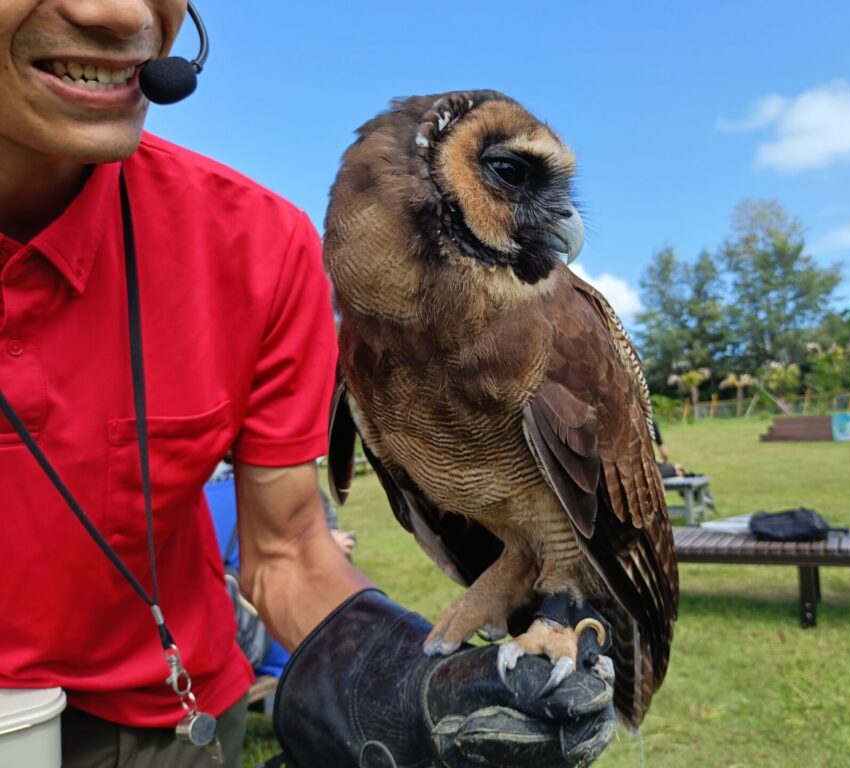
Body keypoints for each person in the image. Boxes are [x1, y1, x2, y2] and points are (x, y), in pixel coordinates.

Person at [0, 3, 613, 767]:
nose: (116, 12)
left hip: (163, 721)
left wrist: (396, 682)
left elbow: (286, 545)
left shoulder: (258, 246)